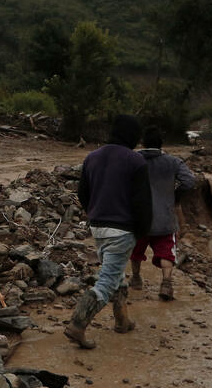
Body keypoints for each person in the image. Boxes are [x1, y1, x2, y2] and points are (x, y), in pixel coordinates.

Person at [64, 114, 153, 349]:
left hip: (98, 227)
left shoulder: (92, 157)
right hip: (122, 230)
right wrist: (143, 231)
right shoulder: (136, 162)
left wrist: (94, 212)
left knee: (115, 273)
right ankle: (78, 324)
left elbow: (83, 193)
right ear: (133, 136)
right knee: (106, 281)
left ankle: (122, 320)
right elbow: (142, 203)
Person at [128, 125, 196, 300]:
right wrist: (174, 196)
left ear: (142, 142)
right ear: (161, 144)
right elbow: (189, 181)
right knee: (166, 251)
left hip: (139, 218)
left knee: (135, 251)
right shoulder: (173, 161)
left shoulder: (133, 159)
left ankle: (136, 279)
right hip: (165, 218)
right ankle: (166, 284)